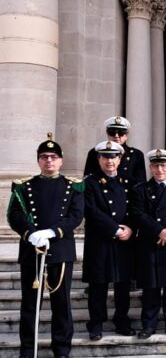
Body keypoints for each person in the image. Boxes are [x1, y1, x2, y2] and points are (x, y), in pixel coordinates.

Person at [8, 135, 84, 358]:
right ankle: (27, 350)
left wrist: (52, 232)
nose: (48, 161)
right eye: (44, 157)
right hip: (32, 250)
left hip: (60, 250)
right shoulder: (24, 186)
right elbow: (14, 214)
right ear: (38, 161)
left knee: (61, 305)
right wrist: (30, 233)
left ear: (61, 160)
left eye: (53, 157)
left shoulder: (74, 186)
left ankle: (61, 350)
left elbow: (76, 215)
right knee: (30, 305)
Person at [129, 148, 166, 339]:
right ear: (150, 167)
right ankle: (149, 325)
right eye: (155, 165)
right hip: (150, 242)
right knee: (150, 288)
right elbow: (138, 214)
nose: (159, 169)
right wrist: (159, 231)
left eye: (163, 165)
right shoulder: (141, 190)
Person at [82, 140, 137, 340]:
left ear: (120, 158)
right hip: (101, 240)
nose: (109, 161)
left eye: (113, 156)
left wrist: (130, 227)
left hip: (125, 240)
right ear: (99, 159)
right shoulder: (89, 182)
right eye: (105, 156)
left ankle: (121, 321)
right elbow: (91, 211)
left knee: (123, 285)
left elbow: (136, 209)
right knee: (99, 284)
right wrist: (114, 229)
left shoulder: (129, 182)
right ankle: (96, 324)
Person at [83, 116, 146, 184]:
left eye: (121, 132)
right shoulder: (94, 153)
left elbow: (141, 184)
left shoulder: (136, 155)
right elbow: (88, 180)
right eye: (112, 132)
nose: (116, 135)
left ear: (126, 135)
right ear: (107, 134)